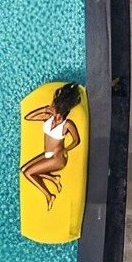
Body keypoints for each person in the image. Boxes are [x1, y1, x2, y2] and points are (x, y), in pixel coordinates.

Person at [20, 82, 82, 210]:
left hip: (57, 158)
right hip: (47, 154)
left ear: (61, 110)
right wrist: (44, 109)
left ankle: (49, 195)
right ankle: (53, 179)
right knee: (23, 169)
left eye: (54, 105)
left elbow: (76, 140)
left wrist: (65, 150)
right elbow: (28, 117)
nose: (52, 106)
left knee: (28, 173)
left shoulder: (67, 124)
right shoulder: (48, 117)